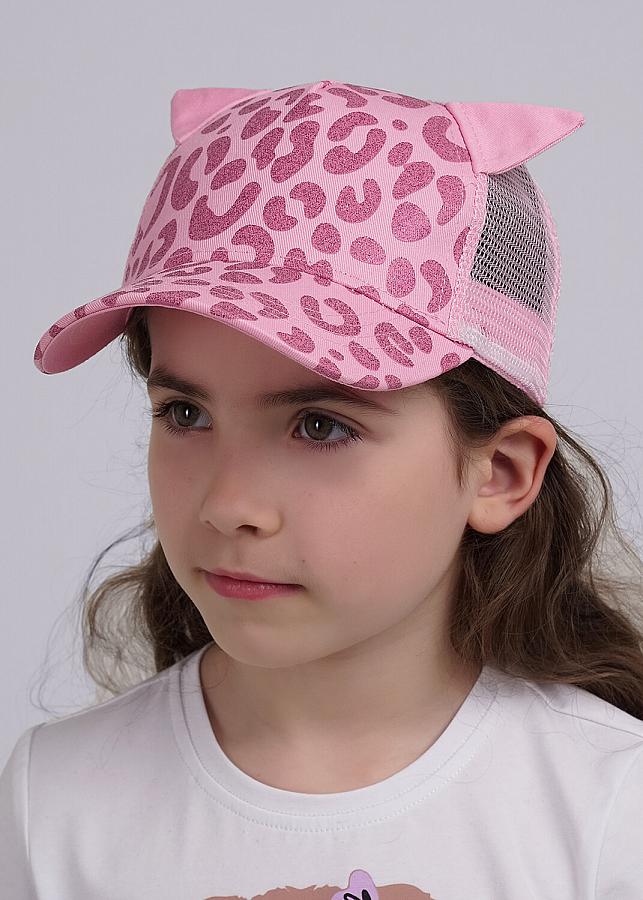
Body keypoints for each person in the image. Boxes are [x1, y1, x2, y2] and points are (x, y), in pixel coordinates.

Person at [1, 78, 641, 899]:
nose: (227, 505)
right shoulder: (52, 804)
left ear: (500, 472)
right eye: (185, 413)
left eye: (319, 426)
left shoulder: (610, 812)